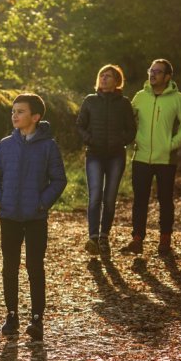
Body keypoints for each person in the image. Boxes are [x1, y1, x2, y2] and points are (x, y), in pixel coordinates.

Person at [0, 93, 67, 341]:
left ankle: (37, 319)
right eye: (13, 111)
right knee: (9, 267)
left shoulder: (48, 146)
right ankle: (11, 316)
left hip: (35, 218)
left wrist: (42, 203)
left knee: (34, 267)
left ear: (35, 116)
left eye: (20, 111)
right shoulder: (4, 145)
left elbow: (59, 180)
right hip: (8, 215)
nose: (15, 115)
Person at [120, 59, 181, 256]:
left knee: (165, 199)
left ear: (167, 77)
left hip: (166, 159)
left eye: (158, 72)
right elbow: (128, 119)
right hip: (141, 156)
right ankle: (137, 239)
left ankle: (165, 240)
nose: (152, 74)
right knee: (140, 200)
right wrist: (132, 137)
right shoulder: (140, 96)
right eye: (151, 71)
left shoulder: (178, 98)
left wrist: (171, 145)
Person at [75, 64, 137, 257]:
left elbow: (131, 130)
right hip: (94, 154)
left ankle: (104, 237)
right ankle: (92, 238)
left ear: (117, 81)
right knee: (95, 197)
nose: (104, 78)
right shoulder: (90, 101)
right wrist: (90, 139)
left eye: (108, 76)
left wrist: (121, 141)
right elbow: (80, 125)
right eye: (102, 75)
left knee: (110, 199)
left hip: (116, 156)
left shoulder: (124, 103)